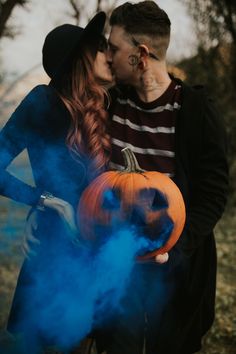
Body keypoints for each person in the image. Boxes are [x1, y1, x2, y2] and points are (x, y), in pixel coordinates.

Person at [95, 1, 229, 354]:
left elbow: (214, 194)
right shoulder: (109, 105)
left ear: (140, 54)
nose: (107, 56)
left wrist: (176, 248)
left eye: (114, 48)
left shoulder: (196, 112)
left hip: (175, 273)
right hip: (116, 270)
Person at [0, 12, 113, 354]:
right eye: (95, 49)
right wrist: (43, 200)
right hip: (54, 250)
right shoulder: (42, 102)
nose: (103, 54)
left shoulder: (102, 104)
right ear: (78, 59)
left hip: (100, 246)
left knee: (86, 341)